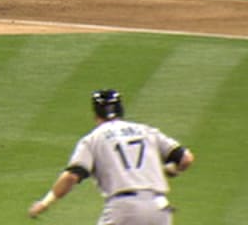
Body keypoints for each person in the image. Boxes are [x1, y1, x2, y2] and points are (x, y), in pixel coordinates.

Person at [28, 89, 194, 222]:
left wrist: (44, 203)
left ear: (96, 114)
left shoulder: (94, 138)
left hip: (124, 209)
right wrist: (172, 170)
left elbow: (71, 176)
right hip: (159, 208)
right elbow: (186, 158)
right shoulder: (147, 131)